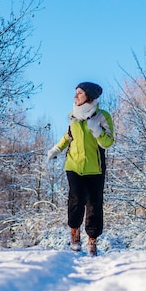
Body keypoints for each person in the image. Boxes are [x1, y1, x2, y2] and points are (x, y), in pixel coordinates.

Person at [47, 82, 114, 256]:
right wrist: (56, 149)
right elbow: (68, 136)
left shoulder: (102, 116)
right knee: (76, 198)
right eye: (75, 93)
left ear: (89, 97)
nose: (75, 96)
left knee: (94, 203)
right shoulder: (73, 116)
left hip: (95, 168)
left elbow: (108, 142)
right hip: (74, 165)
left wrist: (97, 131)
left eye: (79, 93)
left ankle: (92, 239)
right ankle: (74, 232)